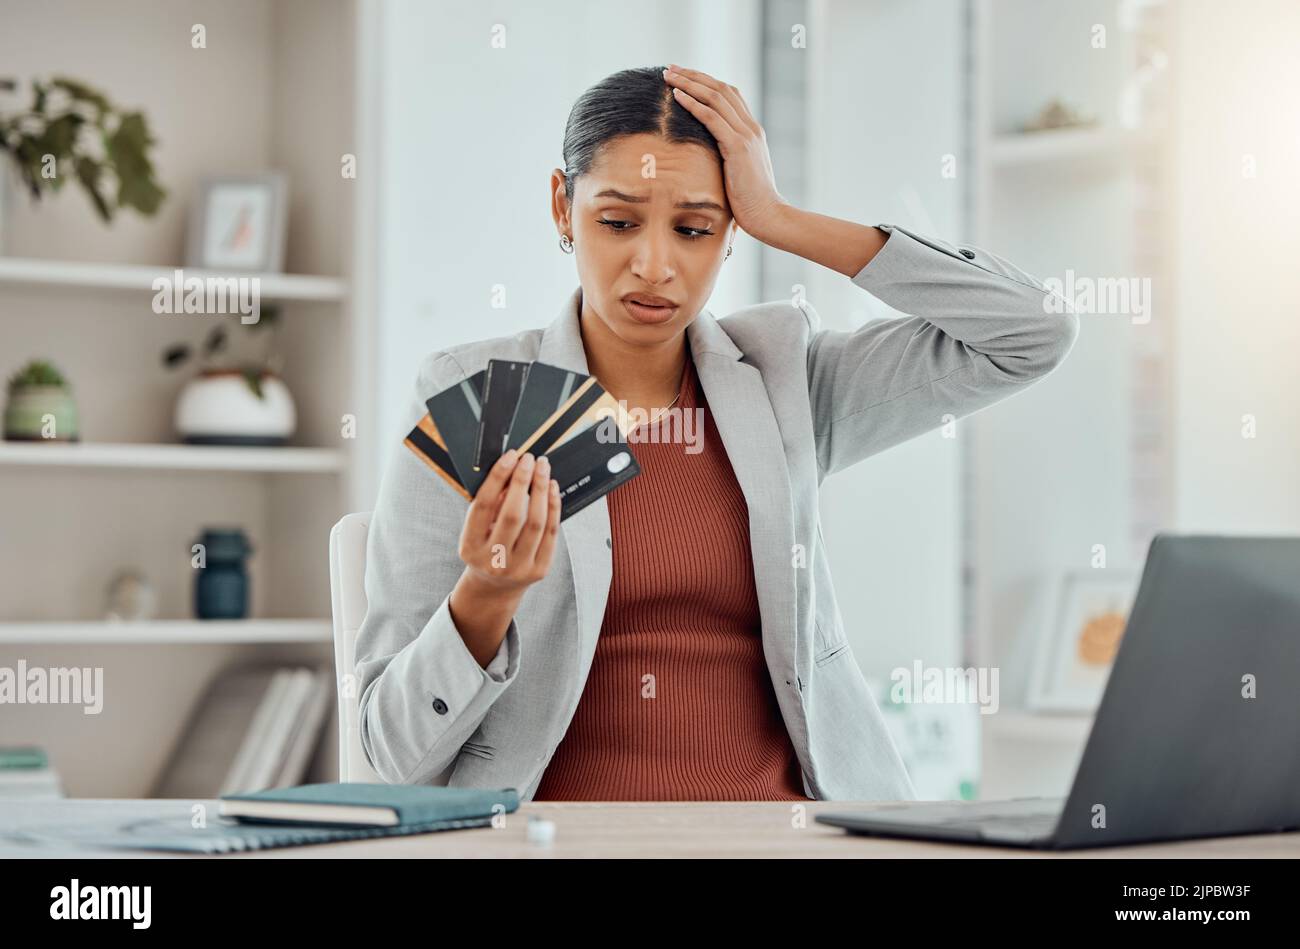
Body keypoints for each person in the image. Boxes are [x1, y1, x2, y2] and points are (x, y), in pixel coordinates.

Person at [354, 64, 1079, 801]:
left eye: (695, 228)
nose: (655, 265)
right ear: (561, 208)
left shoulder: (781, 378)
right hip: (562, 837)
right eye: (617, 221)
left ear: (732, 231)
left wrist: (784, 220)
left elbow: (1032, 331)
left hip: (791, 834)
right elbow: (390, 750)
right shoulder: (475, 397)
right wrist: (485, 595)